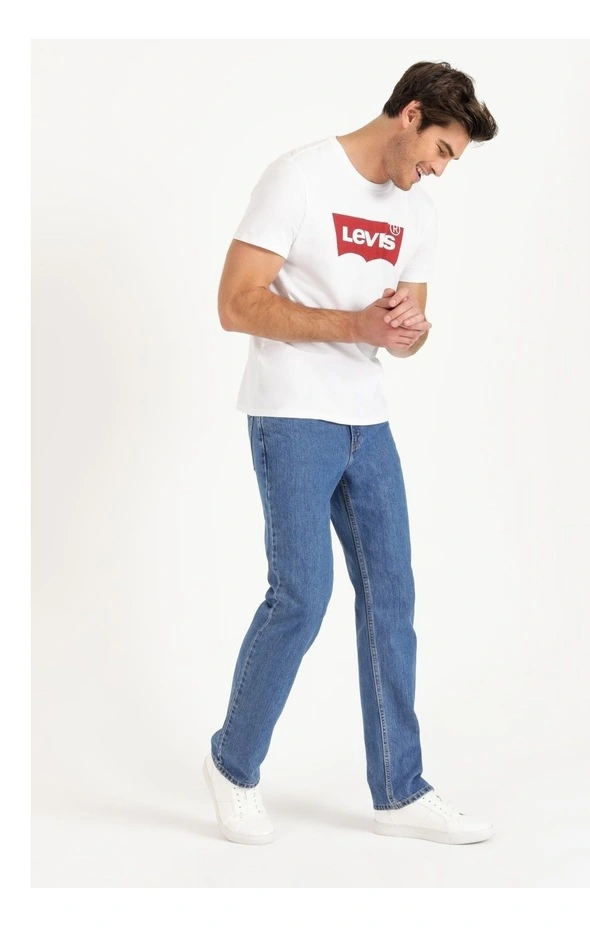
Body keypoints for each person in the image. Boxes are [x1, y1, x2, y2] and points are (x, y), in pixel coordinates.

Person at [204, 60, 498, 845]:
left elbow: (406, 334)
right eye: (440, 150)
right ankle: (232, 766)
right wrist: (353, 326)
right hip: (291, 415)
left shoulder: (418, 213)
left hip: (367, 420)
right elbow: (235, 304)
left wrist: (408, 329)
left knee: (392, 598)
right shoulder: (298, 177)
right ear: (411, 115)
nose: (439, 170)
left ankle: (400, 791)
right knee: (301, 597)